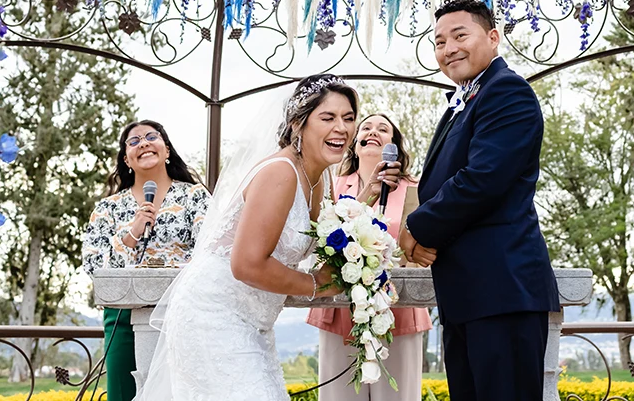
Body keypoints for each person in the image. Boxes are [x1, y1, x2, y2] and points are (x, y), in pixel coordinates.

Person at [135, 74, 358, 401]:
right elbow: (246, 264)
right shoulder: (281, 172)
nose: (342, 127)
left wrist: (359, 252)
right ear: (298, 124)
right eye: (328, 117)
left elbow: (327, 240)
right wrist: (316, 284)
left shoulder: (319, 176)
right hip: (213, 314)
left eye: (349, 118)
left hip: (254, 322)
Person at [400, 0, 560, 401]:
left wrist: (416, 227)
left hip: (501, 291)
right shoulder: (462, 101)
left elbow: (483, 179)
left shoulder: (507, 91)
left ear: (492, 38)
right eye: (439, 42)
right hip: (468, 296)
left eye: (459, 36)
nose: (448, 48)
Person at [81, 120, 210, 401]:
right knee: (125, 394)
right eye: (134, 140)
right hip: (124, 316)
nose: (144, 143)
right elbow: (93, 267)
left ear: (166, 150)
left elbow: (211, 251)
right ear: (126, 159)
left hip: (183, 311)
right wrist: (131, 234)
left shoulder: (195, 196)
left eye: (152, 137)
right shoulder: (108, 208)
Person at [307, 113, 430, 400]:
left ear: (394, 146)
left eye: (383, 128)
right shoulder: (330, 185)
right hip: (339, 306)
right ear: (355, 144)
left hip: (400, 307)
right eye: (366, 127)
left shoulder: (417, 189)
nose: (373, 131)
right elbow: (319, 240)